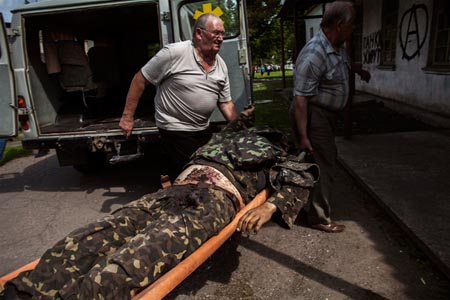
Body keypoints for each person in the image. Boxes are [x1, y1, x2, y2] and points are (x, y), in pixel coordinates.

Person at [2, 107, 319, 300]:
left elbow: (301, 176)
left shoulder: (276, 155)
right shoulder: (226, 137)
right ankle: (28, 289)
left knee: (139, 255)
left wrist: (269, 207)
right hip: (178, 187)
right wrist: (243, 118)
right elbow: (236, 123)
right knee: (101, 232)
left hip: (214, 199)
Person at [119, 13, 238, 178]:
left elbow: (225, 103)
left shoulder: (221, 65)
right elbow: (140, 80)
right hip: (175, 128)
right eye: (216, 33)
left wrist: (242, 127)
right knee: (195, 174)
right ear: (198, 33)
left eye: (222, 33)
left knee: (212, 167)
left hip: (202, 128)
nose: (220, 38)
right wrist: (127, 117)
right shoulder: (174, 53)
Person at [291, 1, 370, 233]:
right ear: (339, 24)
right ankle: (318, 218)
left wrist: (358, 70)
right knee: (324, 164)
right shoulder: (314, 54)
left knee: (321, 161)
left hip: (324, 115)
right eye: (352, 24)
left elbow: (340, 65)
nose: (354, 28)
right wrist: (304, 135)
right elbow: (300, 99)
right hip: (313, 115)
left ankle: (309, 206)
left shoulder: (335, 47)